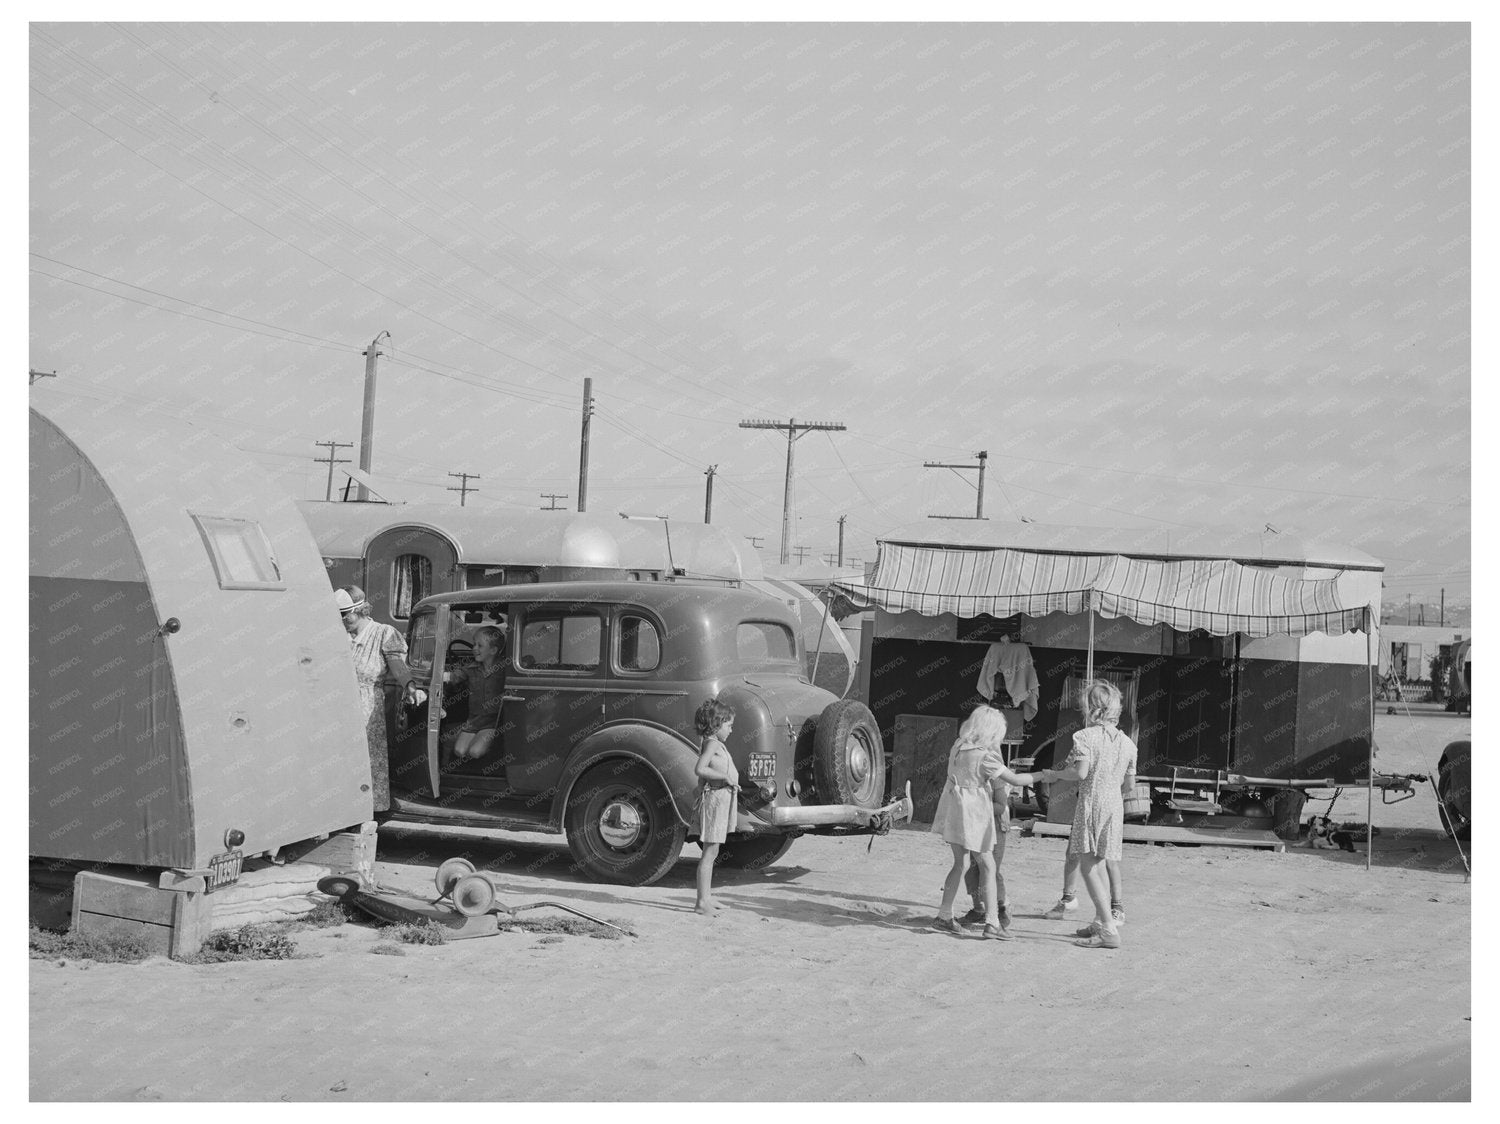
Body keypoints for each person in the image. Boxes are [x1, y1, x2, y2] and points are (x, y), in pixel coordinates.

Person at [1036, 680, 1137, 949]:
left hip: (1092, 802)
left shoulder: (1085, 737)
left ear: (1091, 709)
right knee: (1100, 862)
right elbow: (1129, 785)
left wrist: (1054, 774)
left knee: (1087, 864)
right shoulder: (1128, 743)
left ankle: (1108, 930)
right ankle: (1101, 921)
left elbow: (1079, 773)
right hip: (1114, 805)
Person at [930, 706, 1040, 940]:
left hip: (954, 809)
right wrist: (1043, 775)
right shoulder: (986, 756)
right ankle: (992, 922)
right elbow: (1015, 779)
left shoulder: (957, 746)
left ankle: (944, 915)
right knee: (988, 866)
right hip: (974, 814)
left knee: (960, 863)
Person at [335, 586, 415, 813]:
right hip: (338, 705)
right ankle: (340, 809)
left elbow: (398, 666)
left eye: (345, 615)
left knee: (367, 757)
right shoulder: (338, 635)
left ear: (360, 610)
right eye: (339, 616)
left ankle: (367, 810)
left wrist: (409, 686)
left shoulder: (383, 633)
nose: (343, 620)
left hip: (367, 705)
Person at [692, 697, 739, 917]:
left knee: (714, 850)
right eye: (729, 725)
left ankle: (708, 897)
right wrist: (725, 777)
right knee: (709, 852)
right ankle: (702, 902)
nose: (731, 730)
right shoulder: (712, 744)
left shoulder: (716, 744)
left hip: (721, 800)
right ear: (717, 724)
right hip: (715, 800)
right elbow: (700, 768)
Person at [439, 623, 507, 767]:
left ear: (493, 650)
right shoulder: (471, 668)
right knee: (459, 751)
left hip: (493, 721)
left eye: (480, 646)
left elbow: (527, 660)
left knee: (475, 752)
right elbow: (452, 676)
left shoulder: (504, 667)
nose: (474, 648)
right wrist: (436, 674)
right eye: (474, 644)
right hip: (474, 721)